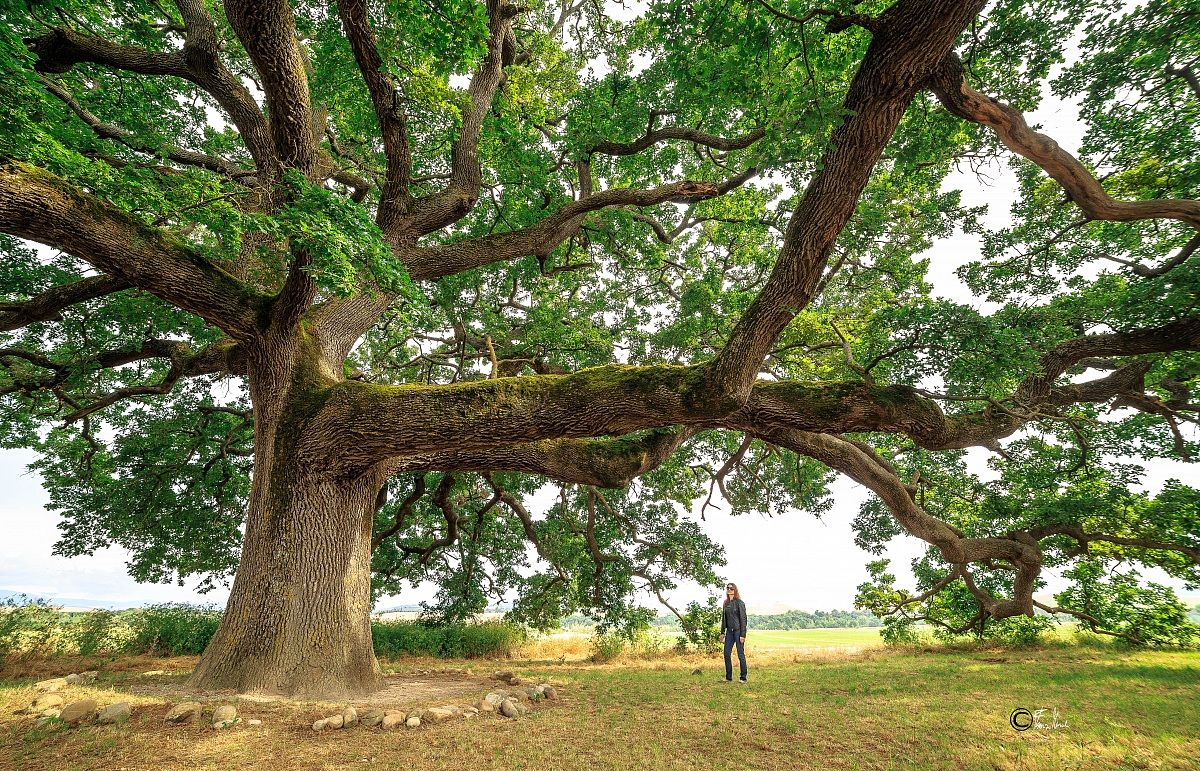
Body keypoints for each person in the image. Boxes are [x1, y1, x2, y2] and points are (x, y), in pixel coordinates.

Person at [719, 582, 748, 683]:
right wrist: (722, 632)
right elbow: (724, 619)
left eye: (731, 588)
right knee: (726, 653)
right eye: (727, 588)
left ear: (735, 590)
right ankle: (728, 677)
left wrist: (743, 635)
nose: (729, 590)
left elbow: (743, 620)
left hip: (738, 632)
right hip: (729, 632)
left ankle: (743, 677)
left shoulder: (740, 603)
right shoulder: (725, 603)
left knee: (740, 654)